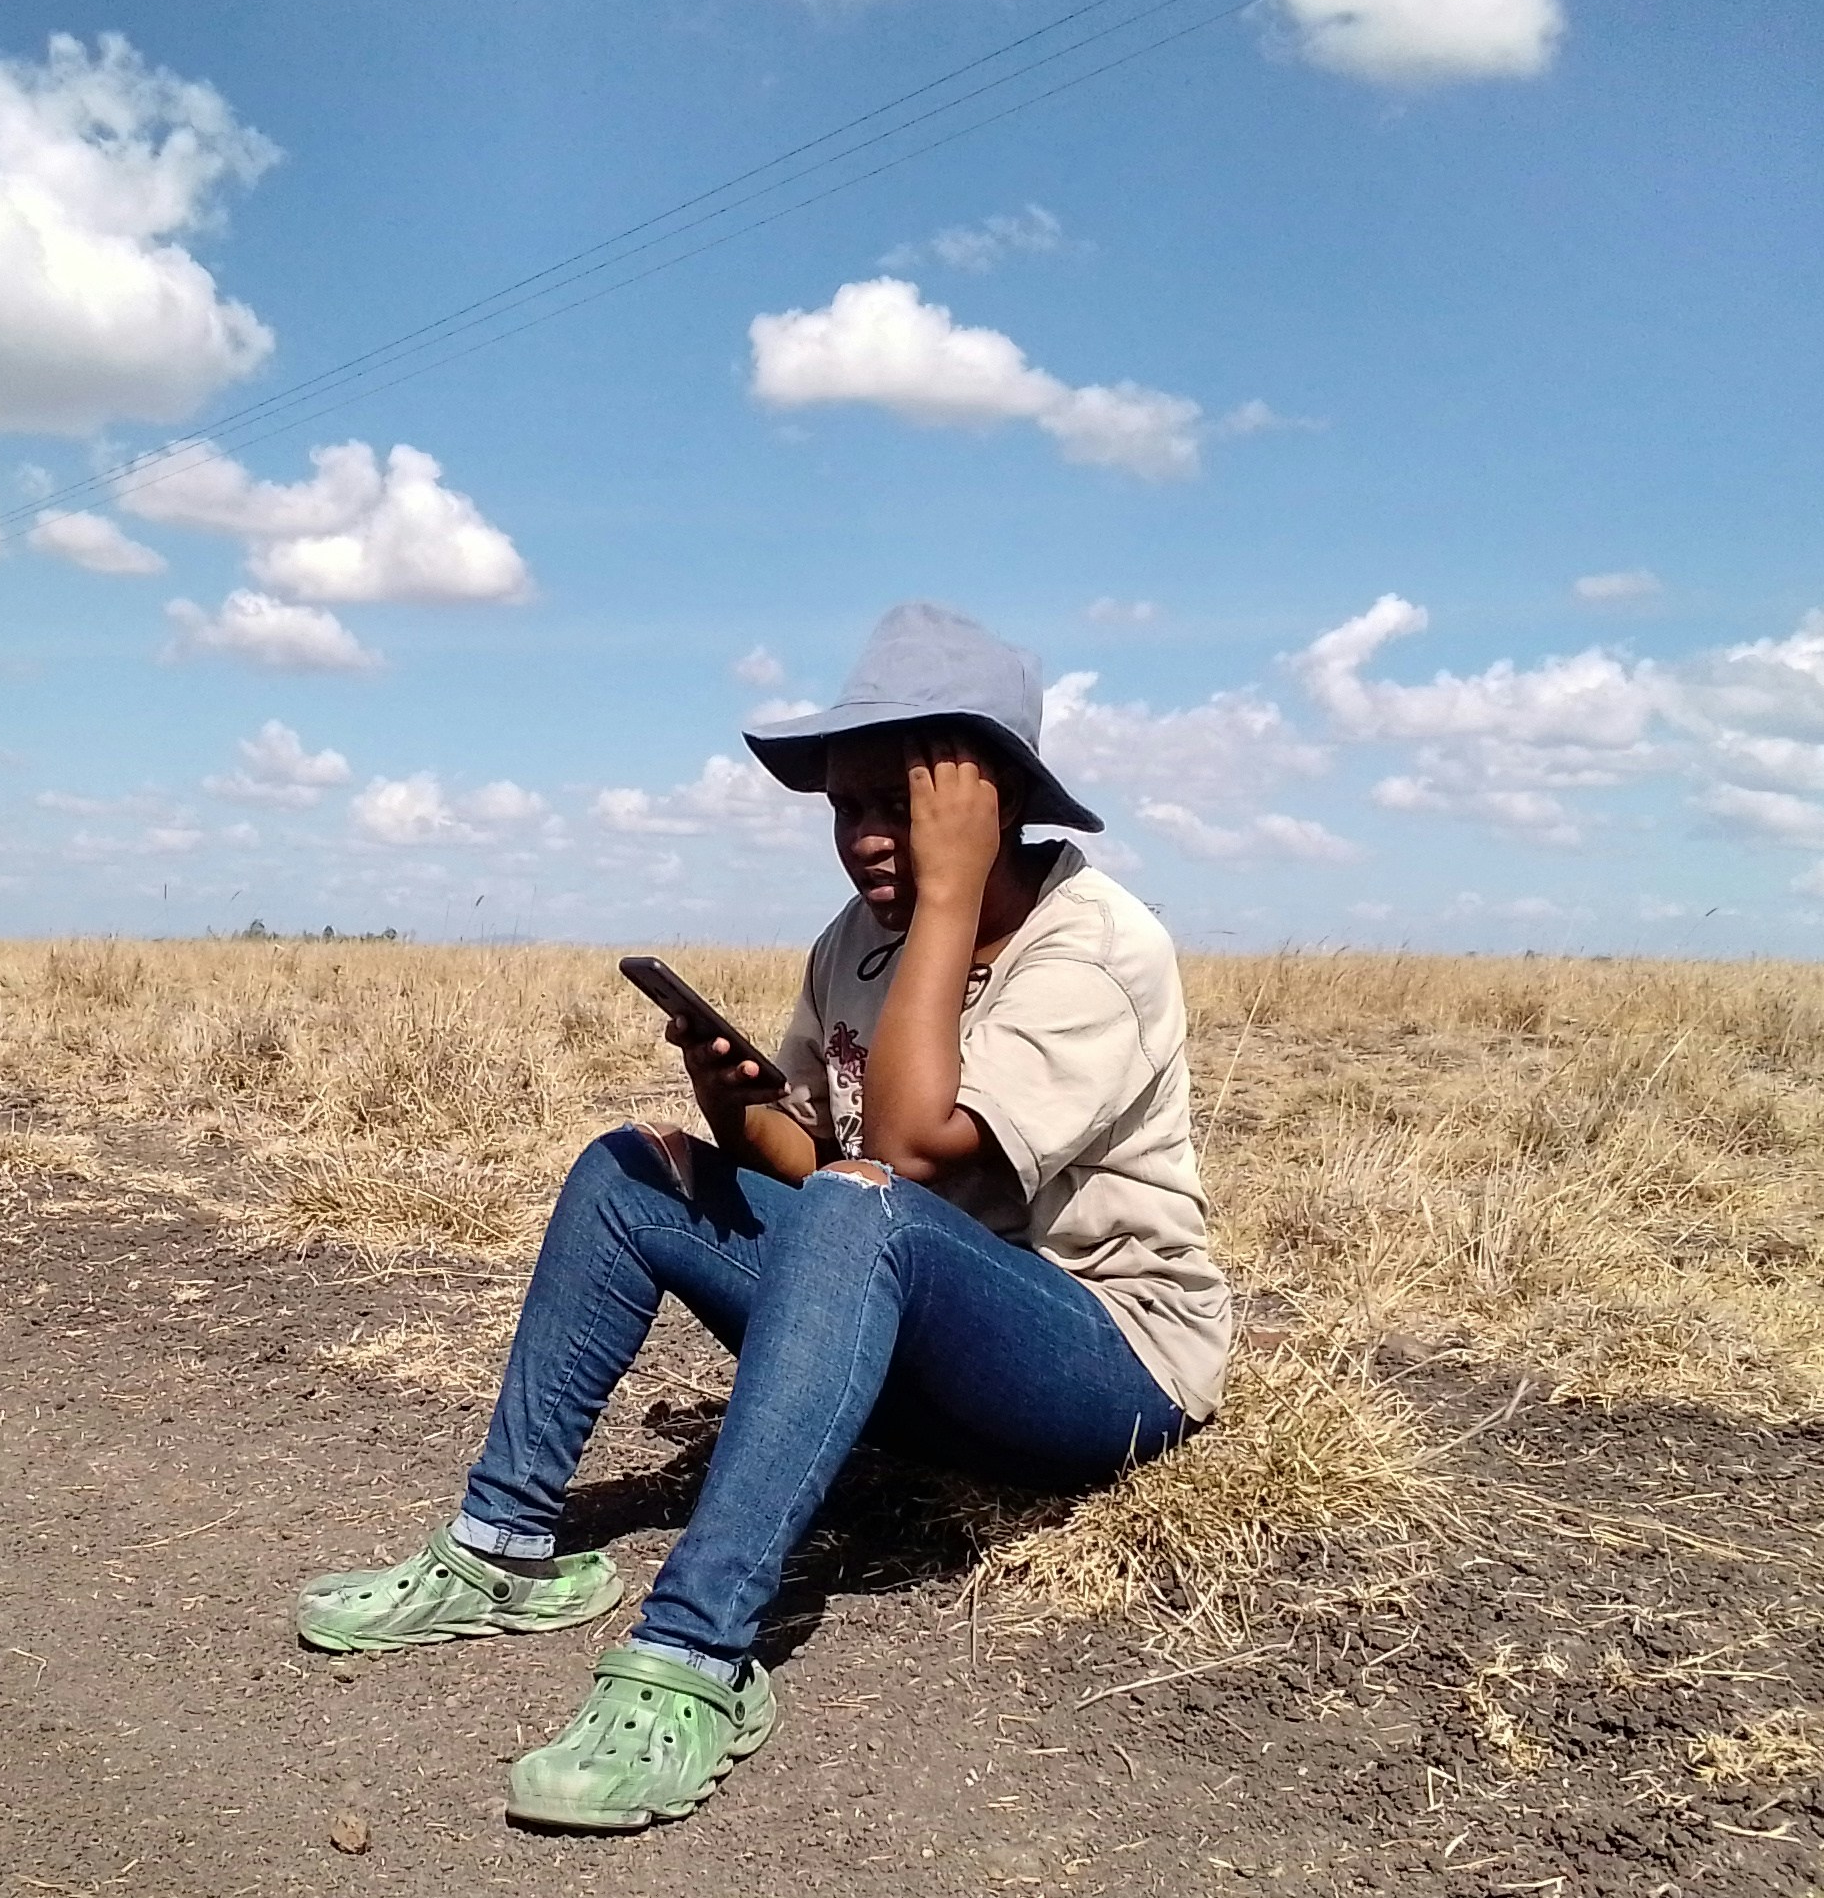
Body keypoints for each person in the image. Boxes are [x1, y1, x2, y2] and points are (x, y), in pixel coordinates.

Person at [295, 602, 1232, 1830]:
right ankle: (500, 1547)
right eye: (847, 809)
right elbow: (830, 1171)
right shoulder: (857, 941)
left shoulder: (1098, 944)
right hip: (913, 1329)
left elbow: (898, 1166)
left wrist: (947, 906)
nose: (865, 841)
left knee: (867, 1201)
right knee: (634, 1168)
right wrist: (737, 1117)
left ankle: (694, 1656)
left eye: (902, 805)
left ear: (993, 802)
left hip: (1103, 1366)